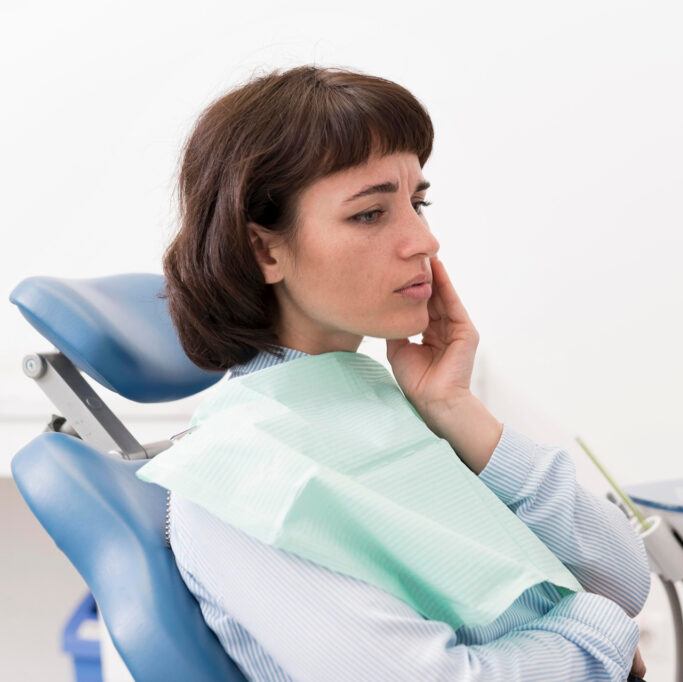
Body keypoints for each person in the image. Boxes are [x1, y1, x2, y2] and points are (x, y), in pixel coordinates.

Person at [160, 64, 650, 681]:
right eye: (369, 214)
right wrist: (599, 632)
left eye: (418, 202)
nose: (424, 240)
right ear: (265, 250)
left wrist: (455, 408)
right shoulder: (240, 476)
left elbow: (624, 578)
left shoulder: (378, 405)